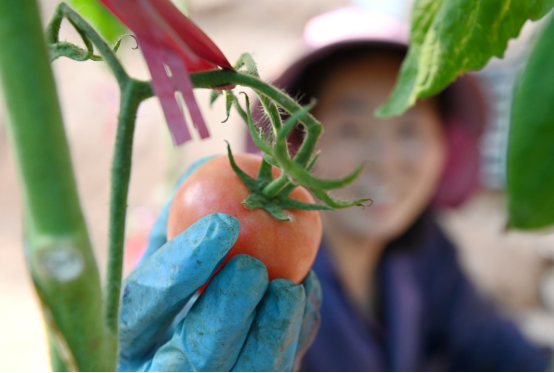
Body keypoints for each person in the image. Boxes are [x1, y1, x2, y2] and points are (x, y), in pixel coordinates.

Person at [118, 7, 551, 372]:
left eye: (409, 129)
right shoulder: (259, 271)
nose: (386, 159)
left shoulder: (424, 253)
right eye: (350, 129)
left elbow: (506, 353)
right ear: (294, 145)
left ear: (442, 144)